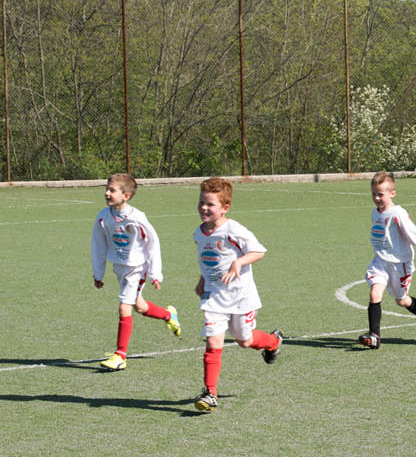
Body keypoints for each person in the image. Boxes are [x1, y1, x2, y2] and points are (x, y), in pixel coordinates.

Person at [192, 177, 282, 413]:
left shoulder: (232, 230)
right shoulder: (199, 233)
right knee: (213, 341)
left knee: (245, 341)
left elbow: (258, 251)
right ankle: (210, 393)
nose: (204, 208)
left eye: (210, 204)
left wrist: (238, 263)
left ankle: (273, 342)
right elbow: (208, 261)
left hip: (241, 296)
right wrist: (202, 280)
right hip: (214, 297)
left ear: (225, 207)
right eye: (202, 202)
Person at [91, 173, 180, 372]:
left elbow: (153, 244)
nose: (107, 193)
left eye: (112, 190)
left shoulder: (137, 218)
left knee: (125, 307)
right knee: (140, 306)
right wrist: (98, 273)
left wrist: (155, 274)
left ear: (126, 196)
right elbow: (98, 244)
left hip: (137, 269)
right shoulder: (103, 216)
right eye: (107, 188)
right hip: (119, 267)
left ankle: (120, 355)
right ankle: (168, 315)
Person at [361, 171, 416, 349]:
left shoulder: (397, 213)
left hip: (400, 264)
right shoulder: (375, 213)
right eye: (374, 194)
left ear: (392, 193)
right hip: (381, 262)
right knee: (375, 293)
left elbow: (412, 233)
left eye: (380, 194)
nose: (377, 198)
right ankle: (374, 336)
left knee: (401, 300)